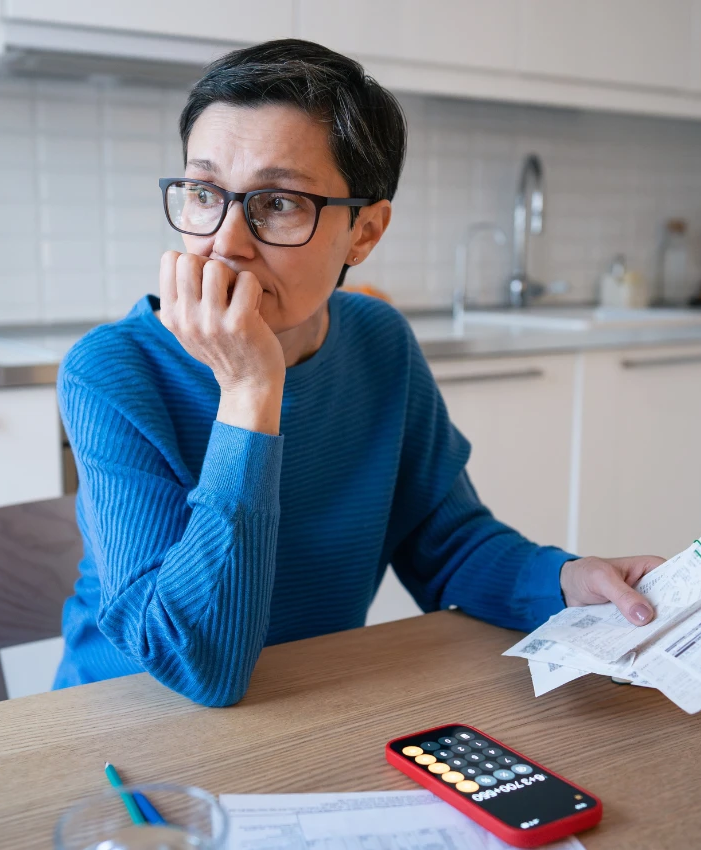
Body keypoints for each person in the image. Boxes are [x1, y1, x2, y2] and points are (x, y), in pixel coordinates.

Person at [53, 39, 663, 705]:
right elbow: (198, 664)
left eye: (278, 203)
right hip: (126, 728)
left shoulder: (379, 343)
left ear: (366, 232)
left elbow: (447, 543)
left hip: (310, 706)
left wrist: (567, 579)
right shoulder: (111, 372)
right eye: (204, 193)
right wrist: (251, 392)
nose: (225, 242)